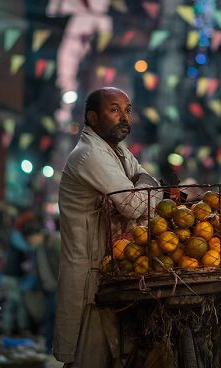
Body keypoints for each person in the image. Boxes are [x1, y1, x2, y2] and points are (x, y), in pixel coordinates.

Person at [54, 87, 160, 367]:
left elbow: (146, 186)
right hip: (90, 276)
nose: (124, 117)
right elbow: (137, 204)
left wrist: (146, 185)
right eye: (115, 110)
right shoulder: (89, 155)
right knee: (89, 358)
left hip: (113, 271)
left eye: (127, 110)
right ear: (93, 117)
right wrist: (147, 184)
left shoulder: (120, 152)